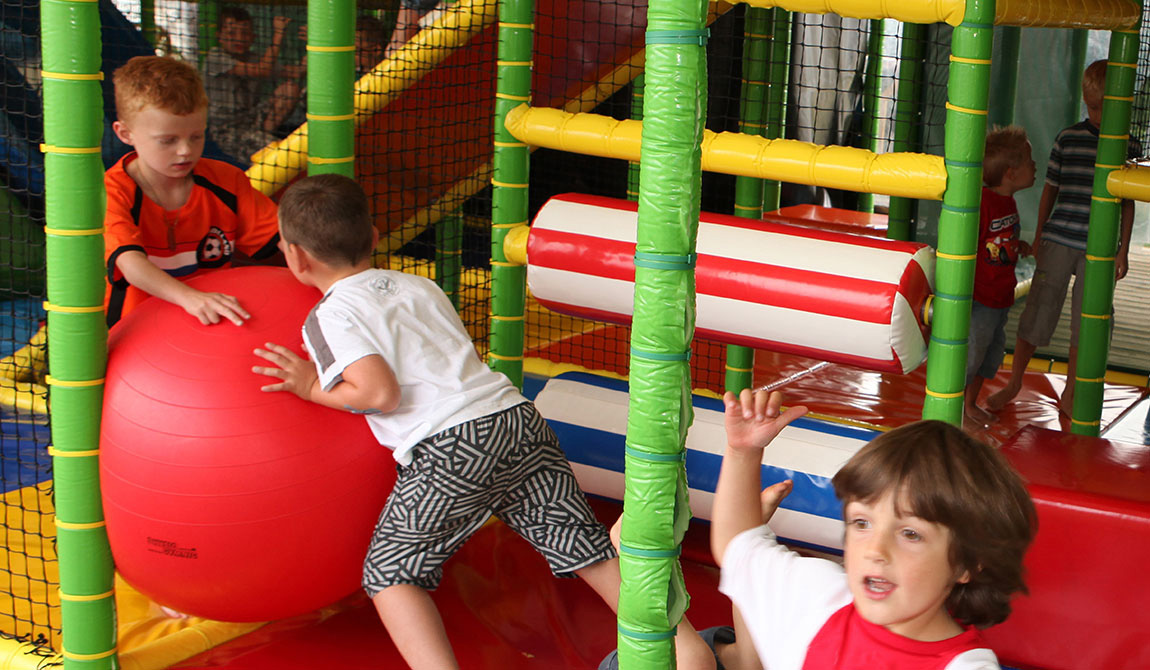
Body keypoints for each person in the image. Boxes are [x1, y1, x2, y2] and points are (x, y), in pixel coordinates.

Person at [250, 174, 728, 670]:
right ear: (373, 237)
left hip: (452, 445)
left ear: (296, 256)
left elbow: (377, 392)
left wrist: (308, 386)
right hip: (513, 419)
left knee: (390, 573)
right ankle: (687, 649)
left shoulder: (328, 314)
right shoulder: (420, 285)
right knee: (584, 546)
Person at [712, 388, 1036, 670]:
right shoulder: (822, 597)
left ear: (967, 562)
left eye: (911, 534)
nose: (876, 551)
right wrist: (743, 453)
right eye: (862, 523)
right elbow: (737, 545)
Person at [987, 59, 1141, 416]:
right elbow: (1050, 191)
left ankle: (1072, 390)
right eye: (1092, 107)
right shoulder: (1068, 138)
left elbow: (1128, 204)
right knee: (1040, 308)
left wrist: (1123, 251)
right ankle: (1014, 381)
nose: (1097, 114)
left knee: (1088, 319)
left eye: (1105, 108)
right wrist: (1040, 236)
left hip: (1099, 249)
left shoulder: (1128, 146)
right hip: (1059, 237)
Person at [105, 56, 281, 327]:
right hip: (132, 330)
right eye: (168, 140)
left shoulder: (226, 181)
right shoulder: (112, 192)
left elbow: (287, 240)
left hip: (206, 323)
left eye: (196, 136)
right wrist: (190, 298)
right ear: (125, 134)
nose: (185, 150)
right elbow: (130, 264)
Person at [964, 126, 1036, 426]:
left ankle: (969, 404)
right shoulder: (984, 203)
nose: (1035, 166)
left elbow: (997, 241)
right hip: (981, 298)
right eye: (1030, 162)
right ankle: (957, 408)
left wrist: (1016, 245)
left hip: (1000, 297)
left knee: (989, 355)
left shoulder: (1008, 203)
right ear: (1011, 173)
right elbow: (972, 245)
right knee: (973, 354)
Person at [202, 6, 305, 161]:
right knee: (279, 156)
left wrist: (312, 45)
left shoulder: (253, 58)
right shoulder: (215, 58)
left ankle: (265, 132)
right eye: (231, 33)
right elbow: (261, 70)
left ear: (253, 37)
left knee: (290, 89)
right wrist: (278, 34)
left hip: (254, 118)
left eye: (244, 33)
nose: (239, 39)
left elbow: (296, 72)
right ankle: (263, 141)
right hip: (229, 128)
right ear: (220, 37)